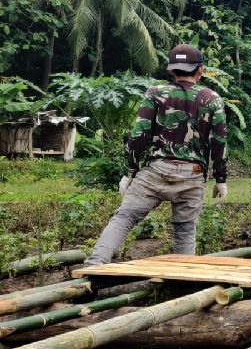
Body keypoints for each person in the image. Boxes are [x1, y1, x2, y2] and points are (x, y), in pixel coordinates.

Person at [84, 44, 228, 266]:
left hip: (156, 172)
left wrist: (130, 171)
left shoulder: (155, 93)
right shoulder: (212, 98)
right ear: (200, 70)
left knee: (125, 217)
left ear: (172, 70)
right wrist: (221, 179)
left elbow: (138, 135)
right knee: (185, 230)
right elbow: (219, 141)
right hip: (192, 175)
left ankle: (95, 264)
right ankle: (181, 279)